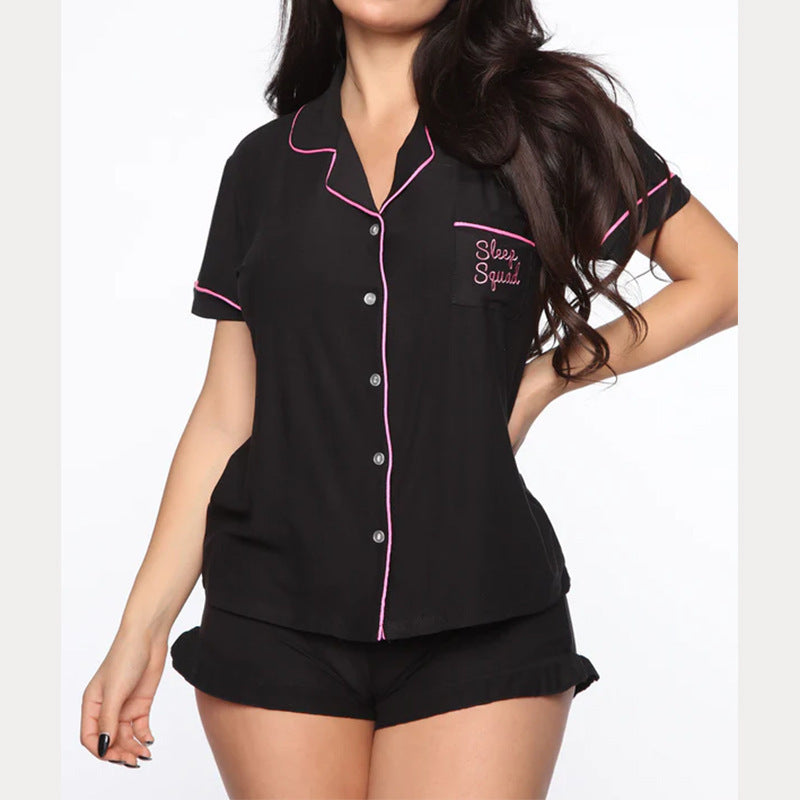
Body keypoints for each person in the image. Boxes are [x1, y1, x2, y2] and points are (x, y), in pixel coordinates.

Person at [80, 1, 738, 796]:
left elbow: (724, 278)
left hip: (484, 613)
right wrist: (140, 628)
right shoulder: (262, 167)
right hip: (274, 619)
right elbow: (226, 415)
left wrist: (543, 380)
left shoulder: (543, 129)